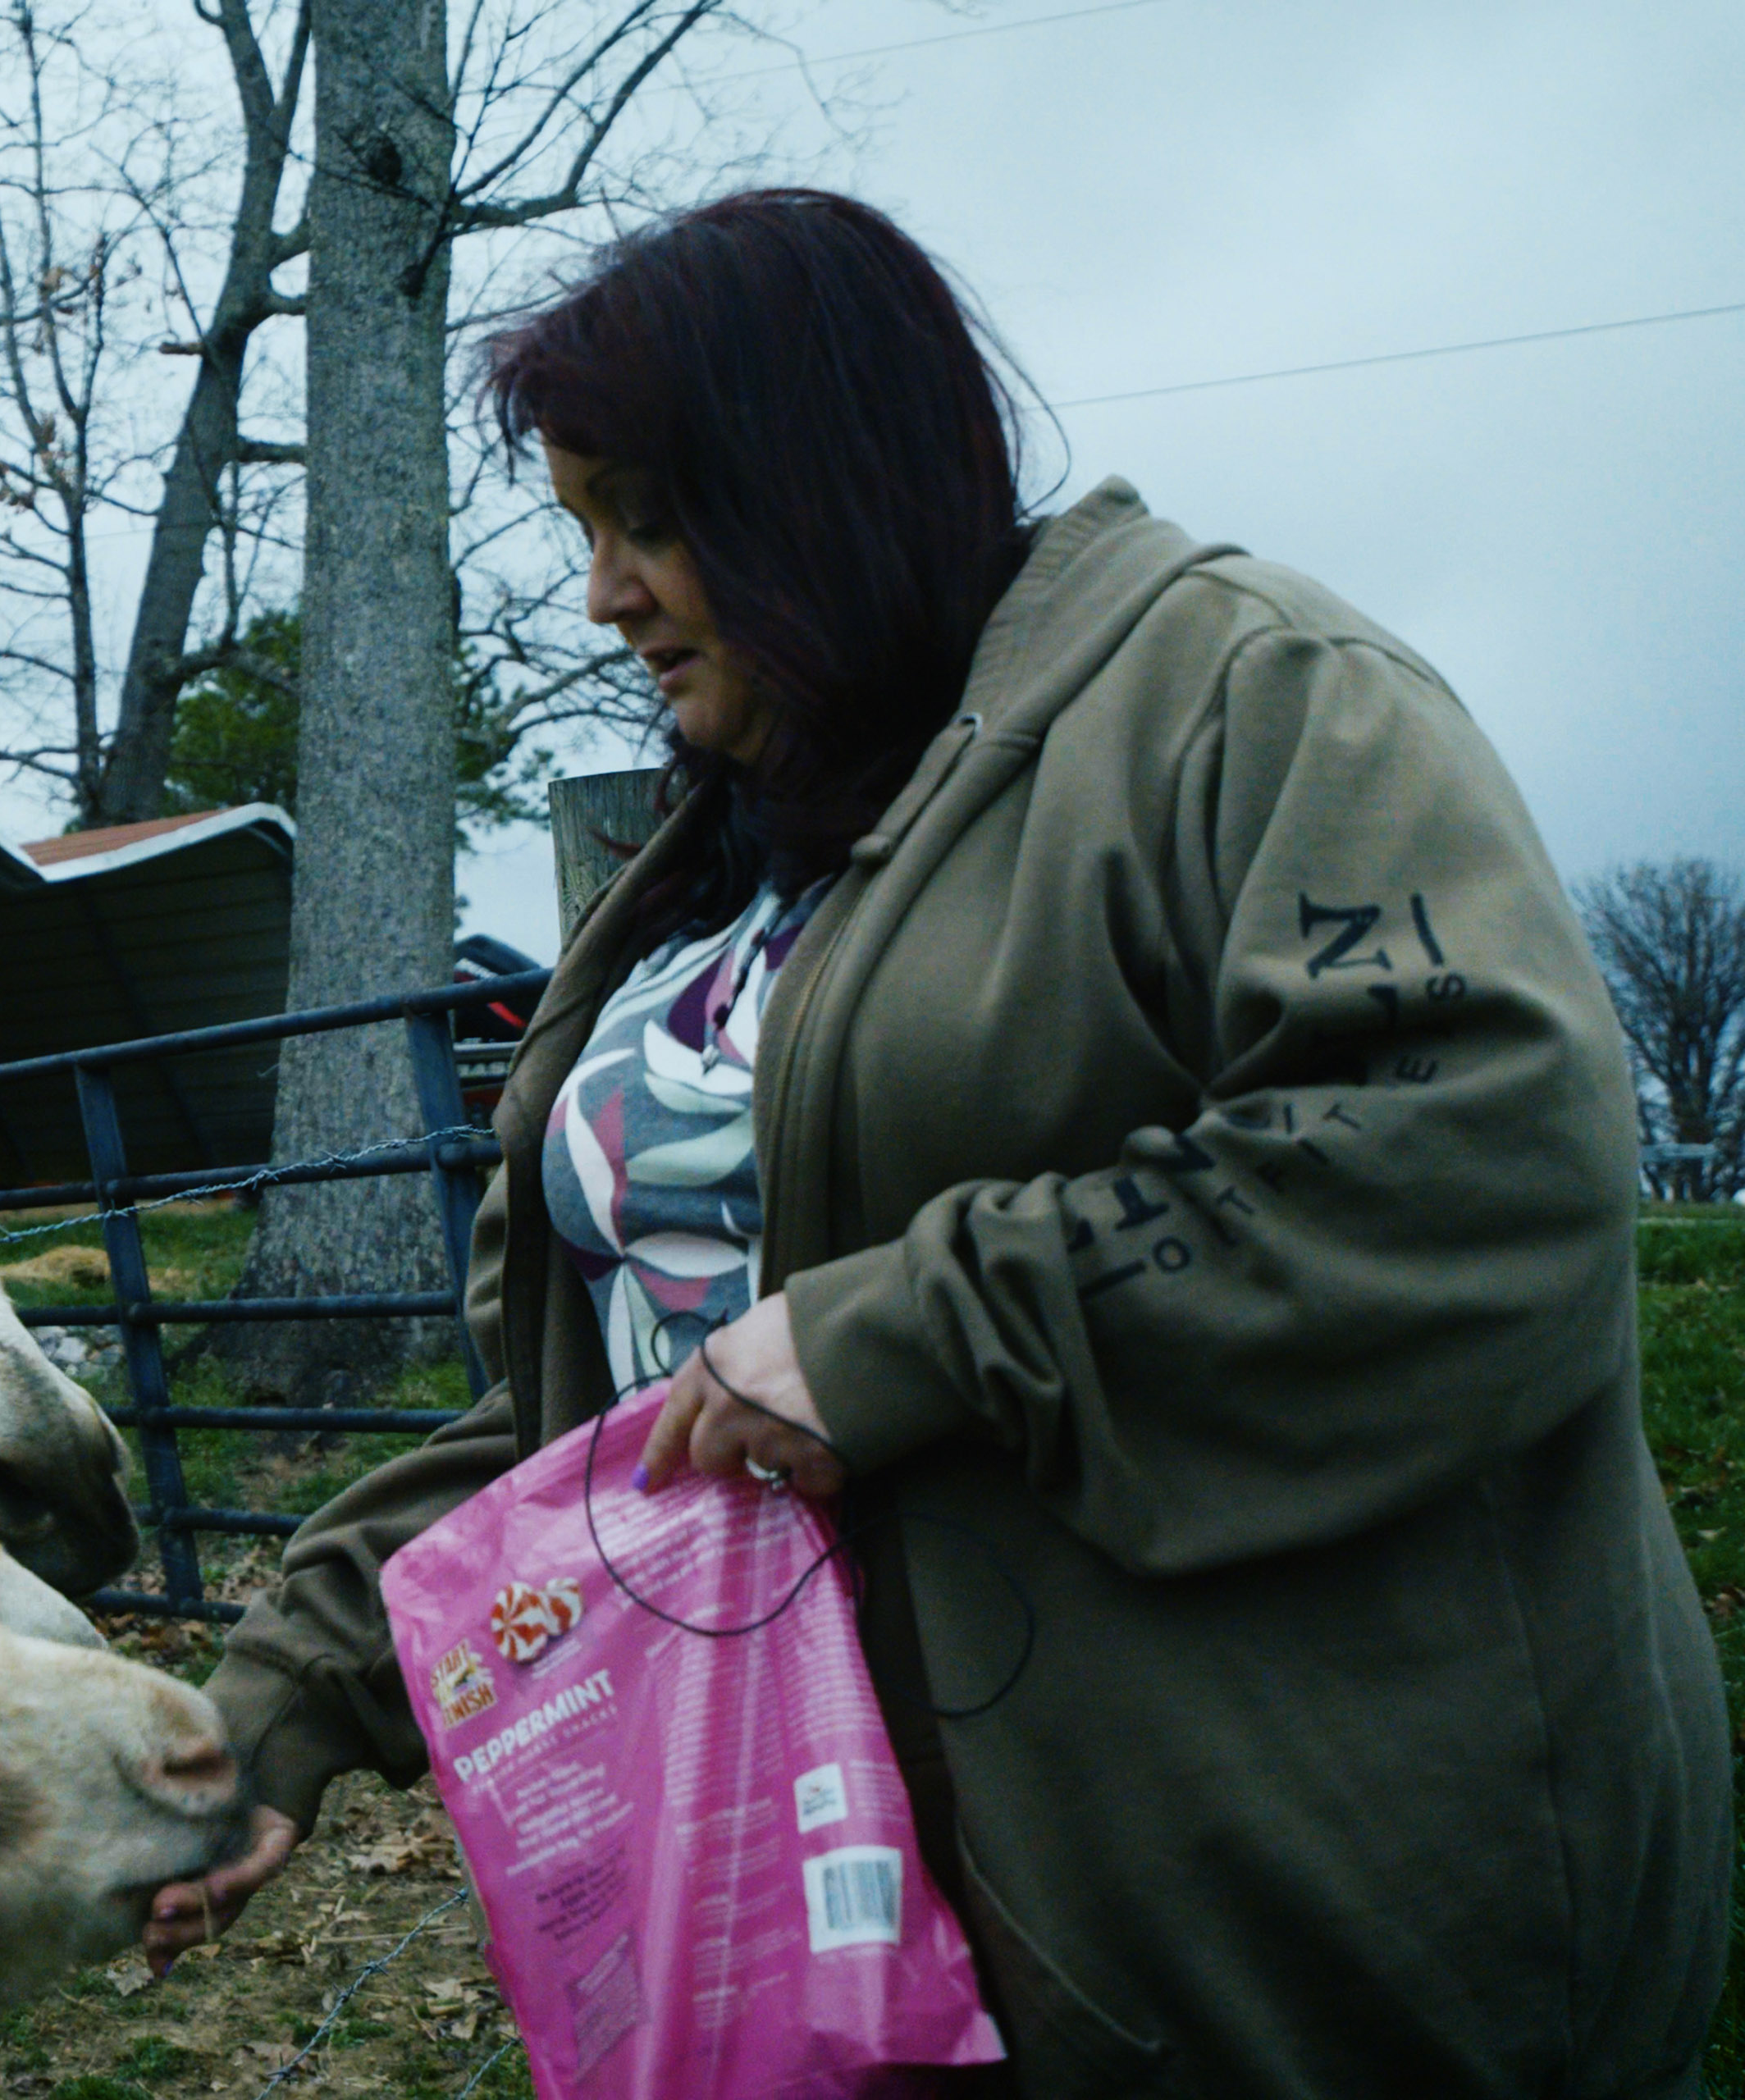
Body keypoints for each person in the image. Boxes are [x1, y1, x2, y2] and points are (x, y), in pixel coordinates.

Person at [141, 189, 1729, 2097]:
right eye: (583, 529)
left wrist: (913, 1329)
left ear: (827, 481)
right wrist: (281, 1701)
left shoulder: (1243, 695)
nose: (602, 592)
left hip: (1260, 1971)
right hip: (842, 1954)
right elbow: (617, 1408)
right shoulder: (714, 884)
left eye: (649, 518)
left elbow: (1475, 1157)